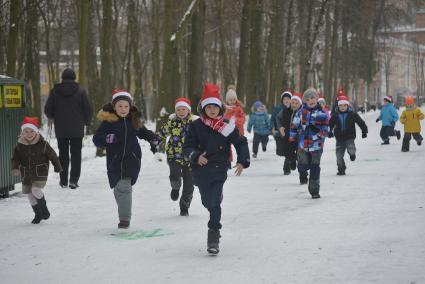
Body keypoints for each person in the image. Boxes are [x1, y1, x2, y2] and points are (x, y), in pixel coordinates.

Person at [183, 83, 250, 254]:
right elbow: (187, 147)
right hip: (200, 169)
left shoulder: (226, 125)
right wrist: (196, 156)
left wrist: (243, 161)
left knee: (214, 204)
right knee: (207, 201)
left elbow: (240, 142)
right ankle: (214, 199)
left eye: (215, 107)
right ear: (203, 108)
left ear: (220, 107)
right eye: (208, 107)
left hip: (219, 167)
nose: (212, 110)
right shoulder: (196, 126)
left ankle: (213, 234)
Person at [93, 90, 159, 229]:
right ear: (114, 107)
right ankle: (124, 209)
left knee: (124, 187)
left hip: (132, 159)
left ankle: (124, 220)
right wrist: (106, 138)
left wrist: (153, 140)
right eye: (120, 106)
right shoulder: (108, 123)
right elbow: (96, 139)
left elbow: (144, 133)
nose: (123, 109)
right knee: (118, 188)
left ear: (130, 107)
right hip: (114, 161)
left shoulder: (133, 121)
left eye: (126, 106)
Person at [44, 68, 93, 189]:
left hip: (61, 128)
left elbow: (48, 108)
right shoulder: (81, 91)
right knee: (76, 154)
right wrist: (86, 121)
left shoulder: (55, 91)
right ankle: (73, 180)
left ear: (62, 77)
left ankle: (63, 180)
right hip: (77, 128)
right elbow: (88, 109)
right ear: (74, 77)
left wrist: (51, 116)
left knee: (63, 154)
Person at [11, 117, 62, 224]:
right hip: (26, 173)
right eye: (26, 131)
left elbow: (53, 156)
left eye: (31, 131)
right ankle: (38, 214)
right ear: (22, 132)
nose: (29, 134)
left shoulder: (43, 144)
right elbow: (15, 158)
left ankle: (44, 209)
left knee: (35, 190)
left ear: (36, 131)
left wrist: (57, 166)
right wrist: (15, 168)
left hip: (40, 171)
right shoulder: (19, 145)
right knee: (29, 193)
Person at [157, 98, 197, 216]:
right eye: (178, 109)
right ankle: (175, 187)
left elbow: (202, 137)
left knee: (189, 185)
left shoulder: (195, 124)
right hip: (174, 155)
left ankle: (184, 206)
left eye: (183, 109)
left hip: (190, 158)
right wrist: (155, 141)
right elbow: (162, 133)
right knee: (175, 175)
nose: (181, 112)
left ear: (188, 110)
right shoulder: (172, 122)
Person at [290, 88, 328, 198]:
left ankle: (314, 190)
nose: (310, 100)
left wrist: (319, 134)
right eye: (308, 99)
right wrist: (292, 138)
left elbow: (326, 127)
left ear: (316, 99)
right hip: (302, 145)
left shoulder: (321, 113)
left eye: (312, 98)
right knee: (302, 166)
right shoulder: (300, 113)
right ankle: (302, 169)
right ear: (305, 101)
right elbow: (294, 126)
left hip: (316, 145)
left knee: (315, 167)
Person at [328, 95, 368, 175]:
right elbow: (330, 125)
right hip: (339, 138)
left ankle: (352, 154)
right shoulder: (335, 115)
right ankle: (341, 169)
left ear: (347, 105)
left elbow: (361, 122)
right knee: (339, 156)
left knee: (351, 148)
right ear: (338, 106)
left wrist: (364, 131)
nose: (342, 107)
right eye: (340, 106)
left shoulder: (352, 114)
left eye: (344, 105)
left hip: (350, 137)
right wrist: (329, 132)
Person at [276, 92, 303, 175]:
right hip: (288, 135)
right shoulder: (284, 111)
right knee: (288, 152)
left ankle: (302, 169)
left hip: (299, 137)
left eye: (296, 103)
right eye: (292, 103)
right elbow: (278, 118)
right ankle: (288, 166)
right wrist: (280, 128)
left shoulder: (302, 112)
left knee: (300, 153)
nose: (294, 105)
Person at [271, 90, 292, 158]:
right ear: (282, 100)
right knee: (280, 152)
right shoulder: (278, 108)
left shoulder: (293, 108)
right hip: (278, 131)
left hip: (289, 132)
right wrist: (272, 128)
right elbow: (272, 119)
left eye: (288, 99)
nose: (286, 100)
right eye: (284, 99)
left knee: (287, 149)